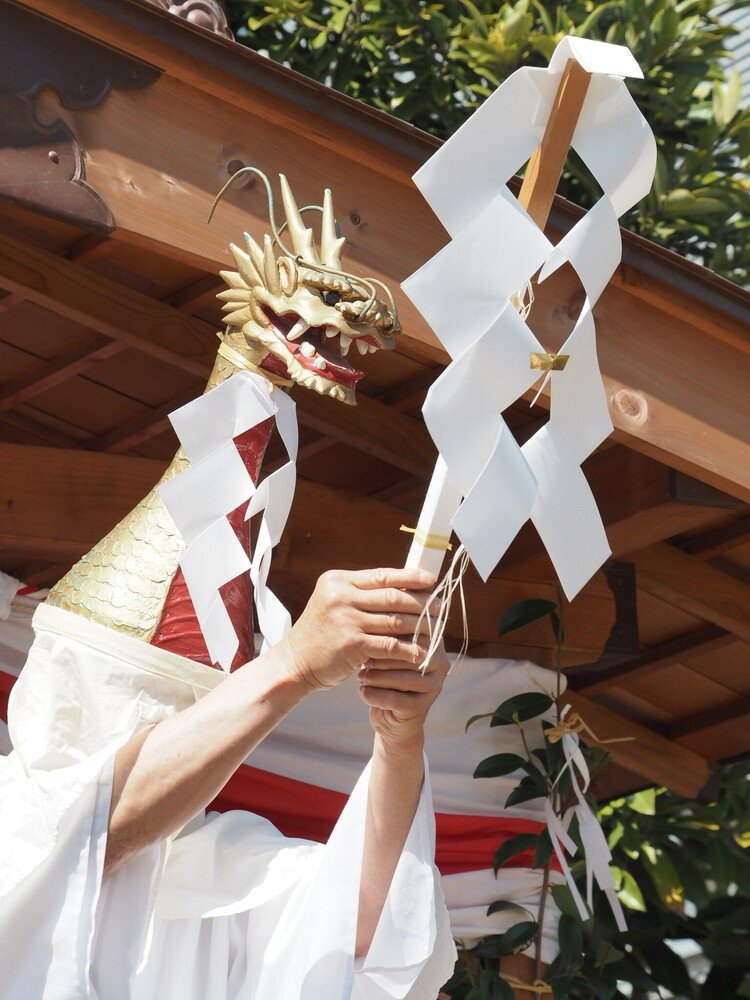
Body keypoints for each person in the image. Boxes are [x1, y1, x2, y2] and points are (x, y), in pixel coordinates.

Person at [1, 566, 458, 999]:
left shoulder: (216, 861)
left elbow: (360, 927)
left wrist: (398, 740)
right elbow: (86, 831)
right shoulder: (14, 812)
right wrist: (294, 664)